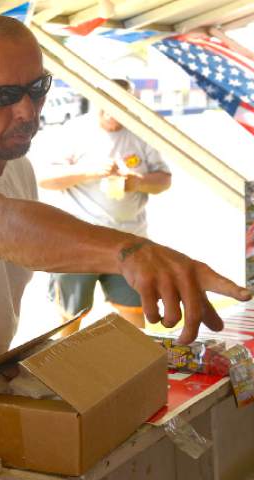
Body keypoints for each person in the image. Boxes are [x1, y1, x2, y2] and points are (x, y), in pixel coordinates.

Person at [0, 15, 252, 430]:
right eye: (2, 95)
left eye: (37, 89)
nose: (27, 111)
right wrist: (129, 252)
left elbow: (24, 244)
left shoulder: (18, 169)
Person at [38, 78, 172, 334]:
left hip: (129, 241)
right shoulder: (75, 131)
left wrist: (136, 183)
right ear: (95, 100)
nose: (114, 113)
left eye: (121, 106)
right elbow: (46, 179)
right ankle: (65, 368)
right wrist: (87, 171)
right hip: (78, 242)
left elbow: (164, 181)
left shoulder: (140, 133)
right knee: (70, 316)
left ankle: (136, 366)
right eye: (108, 105)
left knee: (134, 312)